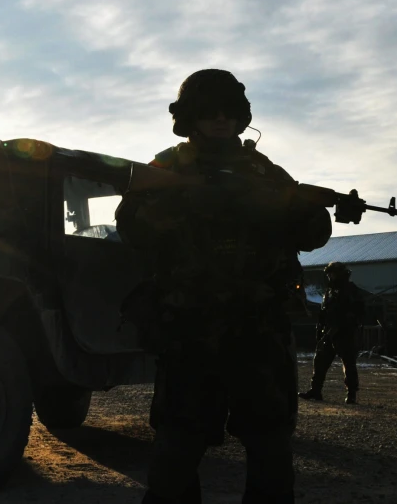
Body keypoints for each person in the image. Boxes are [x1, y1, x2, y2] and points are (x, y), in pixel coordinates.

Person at [116, 69, 333, 504]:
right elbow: (131, 228)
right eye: (208, 110)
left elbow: (312, 235)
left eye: (228, 111)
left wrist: (295, 211)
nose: (219, 119)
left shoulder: (264, 171)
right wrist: (186, 205)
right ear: (189, 117)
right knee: (177, 446)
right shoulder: (169, 167)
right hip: (188, 328)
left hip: (259, 329)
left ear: (241, 116)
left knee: (270, 444)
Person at [298, 261, 365, 404]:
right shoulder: (329, 291)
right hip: (328, 332)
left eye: (332, 274)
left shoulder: (351, 290)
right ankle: (316, 390)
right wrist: (320, 329)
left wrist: (347, 320)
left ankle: (351, 394)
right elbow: (324, 312)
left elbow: (359, 311)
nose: (329, 277)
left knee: (349, 363)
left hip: (344, 332)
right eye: (329, 274)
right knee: (320, 361)